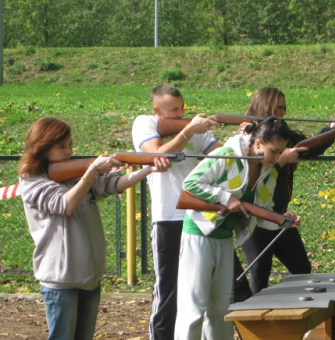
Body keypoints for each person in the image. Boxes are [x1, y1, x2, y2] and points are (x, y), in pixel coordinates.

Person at [18, 117, 172, 340]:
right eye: (62, 146)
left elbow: (111, 184)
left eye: (70, 144)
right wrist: (91, 172)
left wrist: (147, 169)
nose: (69, 150)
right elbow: (65, 204)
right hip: (60, 280)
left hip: (89, 276)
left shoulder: (73, 174)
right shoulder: (31, 179)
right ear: (42, 147)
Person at [174, 117, 300, 340]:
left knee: (222, 309)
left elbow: (261, 212)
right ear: (258, 143)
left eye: (281, 152)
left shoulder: (269, 171)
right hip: (198, 233)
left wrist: (280, 218)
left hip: (225, 239)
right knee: (193, 309)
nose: (277, 157)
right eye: (274, 151)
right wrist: (225, 197)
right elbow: (190, 184)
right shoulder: (227, 154)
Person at [131, 84, 222, 340]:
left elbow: (224, 155)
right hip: (168, 218)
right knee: (168, 293)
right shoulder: (144, 123)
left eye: (183, 107)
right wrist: (189, 129)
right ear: (157, 111)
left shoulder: (195, 130)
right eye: (174, 109)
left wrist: (243, 139)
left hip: (200, 219)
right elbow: (158, 153)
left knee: (208, 289)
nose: (181, 113)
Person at [237, 87, 335, 295]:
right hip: (256, 215)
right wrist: (281, 160)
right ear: (266, 108)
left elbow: (309, 147)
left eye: (284, 108)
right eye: (278, 108)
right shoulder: (248, 138)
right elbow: (257, 179)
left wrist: (331, 129)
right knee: (260, 273)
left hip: (280, 214)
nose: (283, 113)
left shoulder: (283, 134)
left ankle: (295, 317)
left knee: (302, 269)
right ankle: (255, 323)